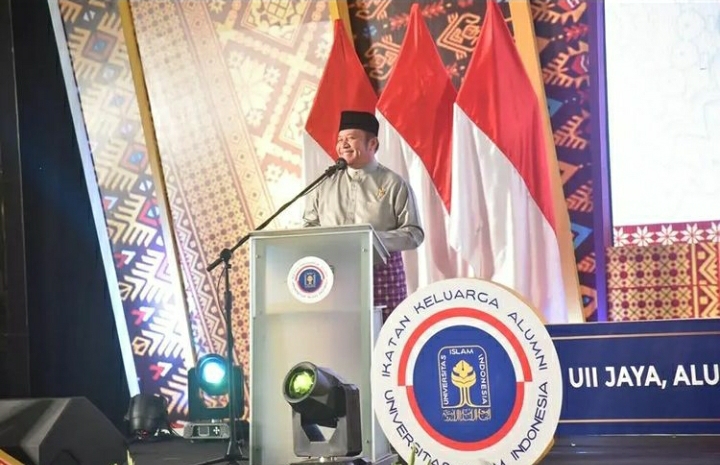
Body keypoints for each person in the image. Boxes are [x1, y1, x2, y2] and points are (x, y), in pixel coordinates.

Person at [303, 110, 424, 320]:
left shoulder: (393, 183)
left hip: (381, 274)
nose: (343, 145)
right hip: (335, 275)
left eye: (351, 138)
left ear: (372, 144)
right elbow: (309, 226)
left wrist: (370, 240)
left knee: (384, 335)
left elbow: (414, 234)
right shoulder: (324, 184)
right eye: (340, 139)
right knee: (339, 335)